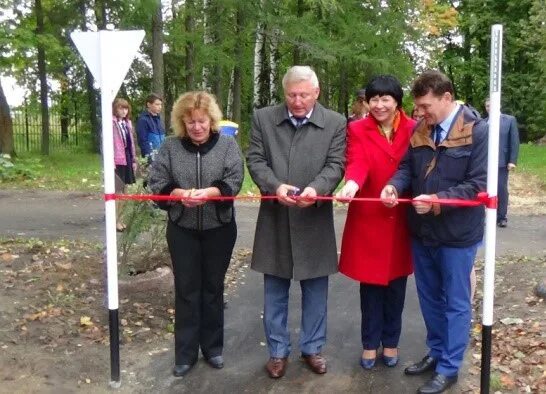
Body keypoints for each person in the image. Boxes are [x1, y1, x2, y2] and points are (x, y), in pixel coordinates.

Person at [380, 70, 487, 394]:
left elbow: (479, 185)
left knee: (455, 302)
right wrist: (393, 186)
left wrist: (438, 201)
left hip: (457, 235)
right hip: (422, 232)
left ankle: (450, 368)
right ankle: (437, 352)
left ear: (447, 98)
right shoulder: (420, 130)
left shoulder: (477, 131)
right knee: (429, 299)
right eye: (419, 107)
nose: (421, 113)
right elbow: (406, 169)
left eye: (426, 106)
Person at [246, 65, 346, 379]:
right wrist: (275, 186)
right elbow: (256, 159)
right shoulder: (263, 118)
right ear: (284, 93)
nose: (298, 100)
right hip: (275, 218)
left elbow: (336, 163)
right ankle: (277, 352)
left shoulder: (335, 122)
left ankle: (313, 348)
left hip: (314, 219)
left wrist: (317, 189)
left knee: (316, 290)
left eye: (304, 94)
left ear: (316, 93)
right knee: (273, 290)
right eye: (292, 94)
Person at [148, 91, 244, 378]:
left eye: (201, 121)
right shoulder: (170, 147)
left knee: (213, 288)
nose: (197, 127)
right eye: (190, 122)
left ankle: (213, 348)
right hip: (182, 228)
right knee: (187, 290)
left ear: (211, 120)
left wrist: (211, 193)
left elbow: (234, 180)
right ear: (182, 123)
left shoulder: (227, 146)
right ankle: (185, 353)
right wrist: (177, 194)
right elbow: (156, 183)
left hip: (219, 228)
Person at [335, 75, 415, 370]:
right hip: (369, 218)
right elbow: (358, 162)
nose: (379, 105)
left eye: (386, 99)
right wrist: (352, 184)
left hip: (401, 219)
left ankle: (391, 342)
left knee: (396, 287)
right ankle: (370, 344)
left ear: (397, 102)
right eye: (374, 99)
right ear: (366, 102)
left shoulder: (413, 127)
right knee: (370, 288)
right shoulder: (356, 128)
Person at [484, 98, 520, 227]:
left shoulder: (509, 120)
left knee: (501, 189)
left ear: (498, 105)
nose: (489, 108)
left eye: (491, 105)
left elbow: (514, 142)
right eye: (487, 106)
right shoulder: (483, 123)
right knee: (484, 189)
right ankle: (487, 215)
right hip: (484, 162)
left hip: (502, 162)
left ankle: (501, 216)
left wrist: (512, 161)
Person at [112, 98, 137, 232]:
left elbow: (131, 143)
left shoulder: (127, 123)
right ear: (115, 109)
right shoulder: (111, 123)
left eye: (126, 108)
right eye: (121, 108)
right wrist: (111, 161)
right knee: (118, 191)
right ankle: (115, 220)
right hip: (117, 160)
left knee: (125, 190)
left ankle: (120, 218)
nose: (123, 111)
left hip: (126, 158)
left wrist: (133, 160)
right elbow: (107, 143)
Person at [136, 93, 166, 162]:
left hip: (162, 157)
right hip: (151, 158)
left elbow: (162, 139)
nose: (160, 107)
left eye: (160, 104)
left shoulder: (158, 119)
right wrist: (150, 158)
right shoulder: (143, 120)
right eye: (157, 104)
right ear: (149, 104)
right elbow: (143, 141)